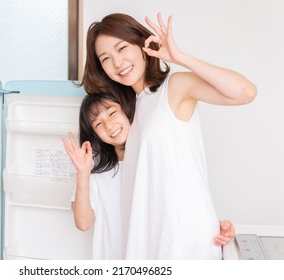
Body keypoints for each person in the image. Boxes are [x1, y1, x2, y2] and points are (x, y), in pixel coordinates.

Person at [80, 12, 256, 259]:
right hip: (152, 242)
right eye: (106, 58)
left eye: (122, 48)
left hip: (183, 242)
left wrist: (181, 57)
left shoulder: (173, 88)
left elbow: (245, 92)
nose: (118, 62)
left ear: (142, 44)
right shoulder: (134, 111)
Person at [62, 93, 236, 260]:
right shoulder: (97, 167)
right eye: (98, 124)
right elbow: (83, 223)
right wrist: (83, 174)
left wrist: (213, 226)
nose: (108, 125)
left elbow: (180, 205)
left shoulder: (156, 156)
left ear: (129, 109)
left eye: (113, 113)